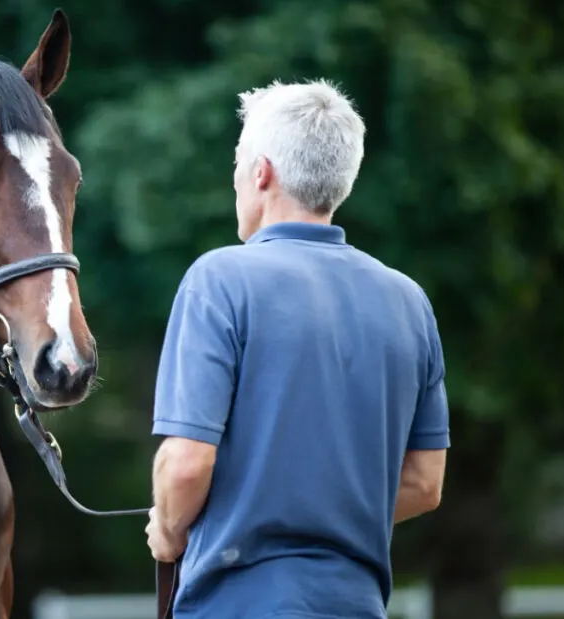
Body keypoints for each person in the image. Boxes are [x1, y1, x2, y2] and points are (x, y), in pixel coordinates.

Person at [145, 79, 450, 618]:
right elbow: (425, 485)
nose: (235, 178)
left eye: (238, 163)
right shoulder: (409, 301)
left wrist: (169, 531)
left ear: (261, 172)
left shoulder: (219, 280)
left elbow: (186, 465)